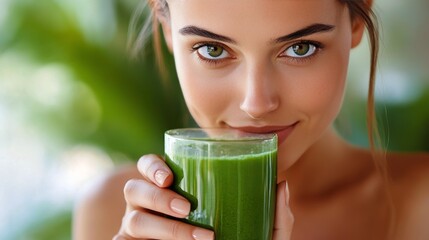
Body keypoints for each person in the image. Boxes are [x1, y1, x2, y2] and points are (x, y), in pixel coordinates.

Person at [72, 0, 429, 239]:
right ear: (166, 28)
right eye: (212, 50)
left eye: (299, 48)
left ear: (355, 21)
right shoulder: (109, 213)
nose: (256, 103)